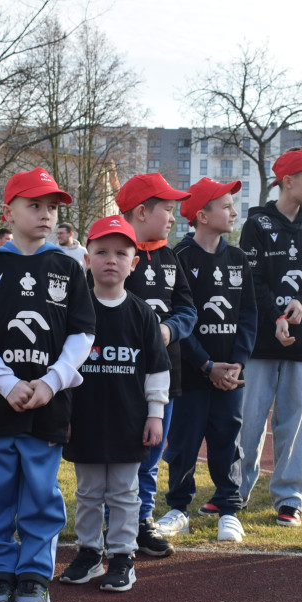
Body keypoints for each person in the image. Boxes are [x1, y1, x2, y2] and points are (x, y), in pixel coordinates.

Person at [0, 168, 96, 602]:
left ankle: (35, 577)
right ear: (8, 212)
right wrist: (6, 382)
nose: (46, 214)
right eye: (34, 205)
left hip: (47, 404)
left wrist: (50, 382)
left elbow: (82, 335)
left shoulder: (69, 268)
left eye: (52, 207)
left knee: (40, 492)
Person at [59, 216, 169, 592]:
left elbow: (157, 369)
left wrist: (155, 413)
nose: (111, 259)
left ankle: (123, 556)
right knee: (88, 492)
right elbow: (61, 368)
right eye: (101, 251)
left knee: (124, 493)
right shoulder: (75, 310)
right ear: (85, 258)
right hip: (85, 419)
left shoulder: (142, 313)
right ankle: (89, 552)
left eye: (121, 253)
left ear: (133, 263)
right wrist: (64, 415)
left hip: (128, 421)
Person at [238, 150, 302, 527]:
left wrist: (301, 303)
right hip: (261, 341)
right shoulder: (256, 223)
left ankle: (290, 498)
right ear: (288, 181)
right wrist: (276, 316)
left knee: (295, 422)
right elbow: (252, 281)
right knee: (249, 418)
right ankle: (236, 489)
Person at [157, 178, 256, 542]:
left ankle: (228, 507)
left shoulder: (238, 258)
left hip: (230, 373)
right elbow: (179, 317)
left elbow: (248, 314)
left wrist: (237, 364)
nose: (234, 211)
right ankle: (178, 507)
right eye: (226, 205)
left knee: (227, 439)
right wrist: (205, 364)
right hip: (191, 373)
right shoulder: (179, 258)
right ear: (201, 215)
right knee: (183, 442)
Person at [113, 173, 195, 557]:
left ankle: (142, 520)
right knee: (117, 451)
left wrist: (168, 331)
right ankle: (113, 521)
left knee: (151, 453)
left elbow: (187, 309)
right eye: (167, 208)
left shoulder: (170, 257)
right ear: (142, 211)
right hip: (118, 375)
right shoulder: (112, 253)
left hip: (166, 375)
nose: (173, 216)